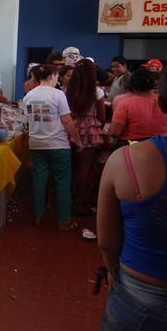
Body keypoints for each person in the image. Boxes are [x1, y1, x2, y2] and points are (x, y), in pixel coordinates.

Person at [97, 64, 167, 331]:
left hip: (140, 292)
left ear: (161, 103)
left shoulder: (124, 162)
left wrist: (112, 272)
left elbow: (107, 240)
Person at [23, 65, 84, 231]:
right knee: (62, 181)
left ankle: (37, 216)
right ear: (52, 76)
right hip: (58, 144)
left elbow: (28, 119)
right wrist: (77, 140)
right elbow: (67, 120)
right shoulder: (58, 94)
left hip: (36, 143)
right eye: (57, 76)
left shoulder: (29, 95)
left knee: (39, 179)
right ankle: (63, 220)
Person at [65, 59, 106, 215]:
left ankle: (65, 200)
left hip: (71, 127)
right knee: (84, 168)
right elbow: (102, 117)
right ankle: (79, 202)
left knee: (70, 167)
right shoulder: (97, 91)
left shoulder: (69, 90)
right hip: (90, 130)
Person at [108, 68, 167, 149]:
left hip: (131, 146)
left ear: (132, 87)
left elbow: (114, 133)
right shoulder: (166, 102)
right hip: (163, 146)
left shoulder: (125, 104)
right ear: (154, 84)